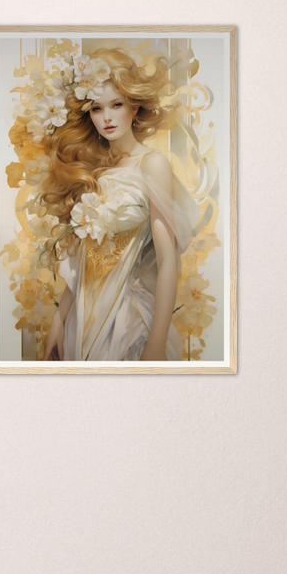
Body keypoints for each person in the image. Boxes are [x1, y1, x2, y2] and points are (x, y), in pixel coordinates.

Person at [26, 48, 197, 361]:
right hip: (81, 316)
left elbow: (168, 260)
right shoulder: (96, 171)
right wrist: (59, 319)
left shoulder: (152, 164)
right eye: (96, 108)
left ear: (133, 107)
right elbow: (86, 264)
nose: (106, 117)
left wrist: (156, 344)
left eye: (116, 105)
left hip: (125, 320)